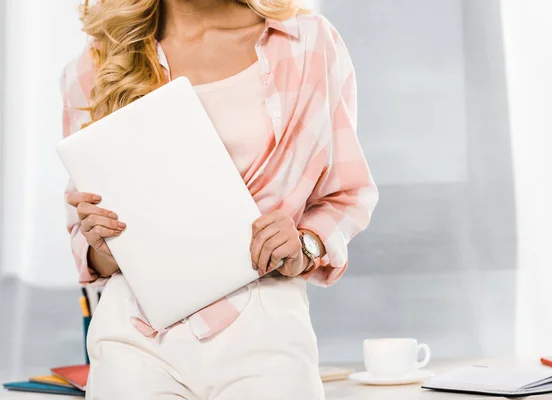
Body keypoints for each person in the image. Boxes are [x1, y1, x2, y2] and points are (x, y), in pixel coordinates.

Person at [61, 0, 378, 399]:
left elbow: (349, 193)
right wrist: (102, 244)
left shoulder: (306, 43)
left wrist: (304, 243)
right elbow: (85, 237)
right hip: (134, 331)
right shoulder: (97, 64)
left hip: (264, 319)